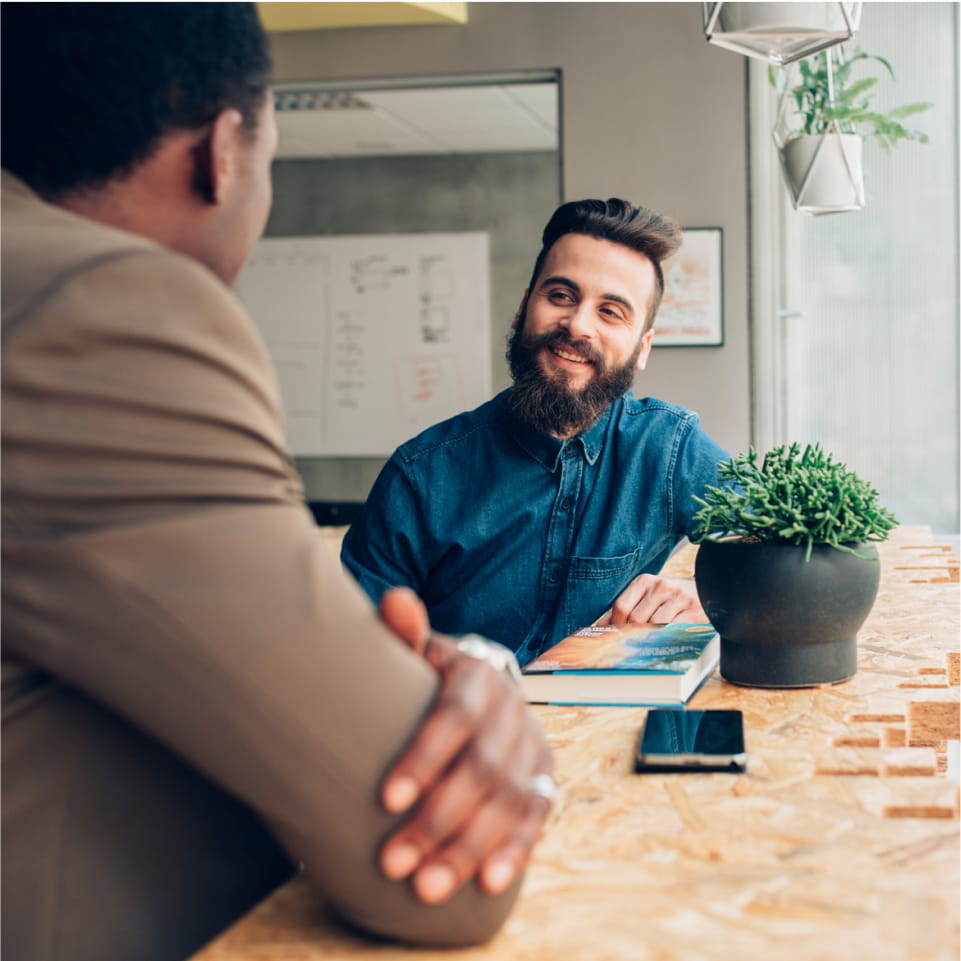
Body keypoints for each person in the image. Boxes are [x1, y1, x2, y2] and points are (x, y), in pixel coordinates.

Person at [0, 5, 553, 961]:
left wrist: (378, 672)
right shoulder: (103, 311)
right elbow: (440, 881)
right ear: (222, 152)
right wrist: (427, 688)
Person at [342, 198, 730, 666]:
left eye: (611, 312)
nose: (577, 325)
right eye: (562, 296)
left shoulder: (668, 449)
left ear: (642, 348)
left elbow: (814, 547)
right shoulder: (420, 476)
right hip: (462, 728)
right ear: (524, 307)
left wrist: (704, 593)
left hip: (602, 730)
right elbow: (352, 655)